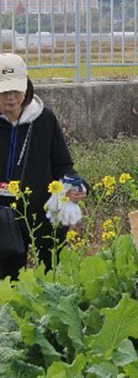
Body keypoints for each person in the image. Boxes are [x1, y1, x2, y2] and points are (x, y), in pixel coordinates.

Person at [0, 53, 87, 280]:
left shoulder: (44, 120)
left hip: (42, 217)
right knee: (8, 285)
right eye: (3, 91)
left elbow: (64, 165)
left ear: (27, 87)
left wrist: (75, 184)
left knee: (51, 279)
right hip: (3, 220)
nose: (10, 98)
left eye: (15, 90)